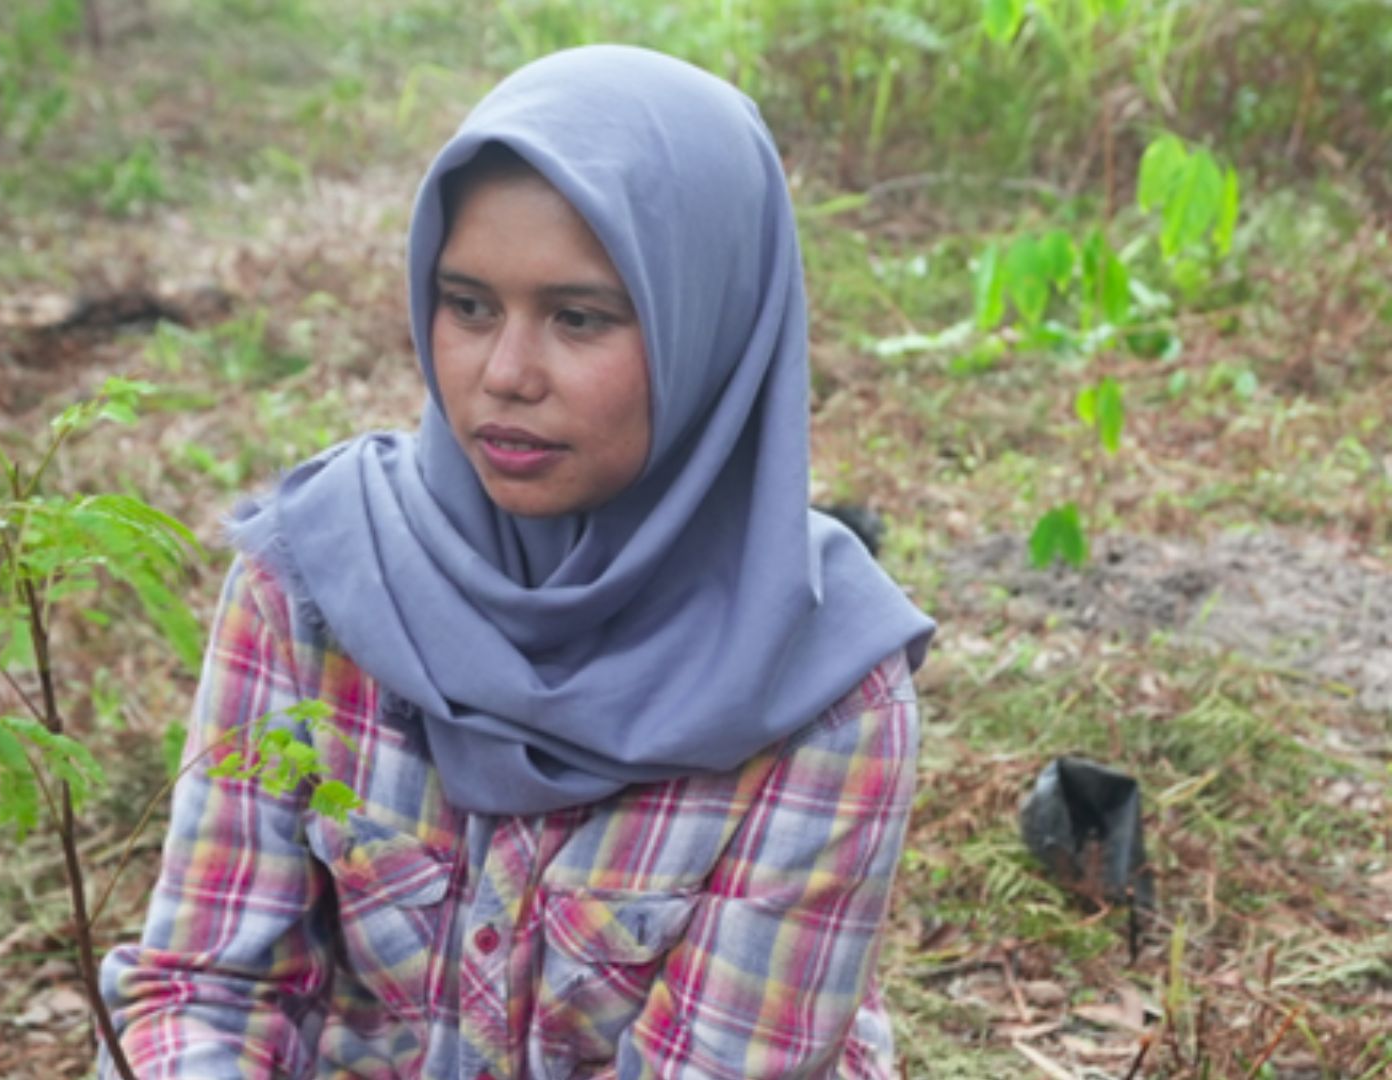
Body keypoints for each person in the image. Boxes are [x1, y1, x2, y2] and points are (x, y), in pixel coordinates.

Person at [101, 44, 935, 1079]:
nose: (503, 375)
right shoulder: (315, 586)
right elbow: (207, 989)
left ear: (709, 331)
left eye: (578, 318)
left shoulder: (821, 690)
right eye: (468, 305)